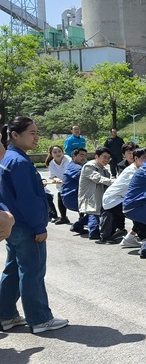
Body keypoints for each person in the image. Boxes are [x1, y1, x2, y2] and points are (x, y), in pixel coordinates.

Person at [0, 117, 69, 334]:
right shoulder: (18, 162)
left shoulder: (7, 158)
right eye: (32, 132)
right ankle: (40, 318)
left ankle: (6, 315)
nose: (36, 137)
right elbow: (28, 199)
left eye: (37, 132)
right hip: (26, 225)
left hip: (14, 225)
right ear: (14, 135)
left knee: (13, 270)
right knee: (33, 272)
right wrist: (40, 227)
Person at [101, 148, 146, 247]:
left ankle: (134, 238)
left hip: (118, 199)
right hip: (113, 200)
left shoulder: (138, 169)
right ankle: (143, 240)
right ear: (136, 159)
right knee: (141, 213)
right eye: (144, 158)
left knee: (141, 212)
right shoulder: (132, 172)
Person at [78, 147, 114, 241]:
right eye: (104, 157)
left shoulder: (104, 168)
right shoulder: (89, 166)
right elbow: (99, 178)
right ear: (96, 156)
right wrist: (116, 182)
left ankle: (77, 226)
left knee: (94, 212)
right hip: (90, 196)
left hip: (99, 195)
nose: (106, 160)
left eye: (108, 158)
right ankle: (93, 232)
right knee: (93, 213)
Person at [61, 148, 89, 234]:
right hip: (72, 198)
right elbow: (85, 177)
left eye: (85, 155)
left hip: (73, 197)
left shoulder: (74, 165)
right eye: (81, 155)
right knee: (98, 208)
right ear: (74, 156)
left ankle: (80, 223)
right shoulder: (75, 167)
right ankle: (78, 225)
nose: (83, 157)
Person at [46, 145, 71, 225]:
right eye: (55, 152)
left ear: (63, 152)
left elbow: (69, 172)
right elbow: (52, 176)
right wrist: (56, 179)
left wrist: (64, 180)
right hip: (61, 185)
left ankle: (82, 218)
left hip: (72, 183)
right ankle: (64, 217)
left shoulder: (67, 159)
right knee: (60, 197)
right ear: (51, 154)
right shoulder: (51, 164)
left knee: (77, 200)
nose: (57, 153)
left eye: (59, 151)